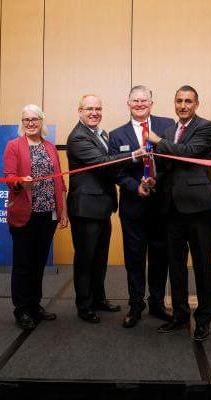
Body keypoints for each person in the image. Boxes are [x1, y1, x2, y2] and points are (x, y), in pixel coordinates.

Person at [67, 94, 146, 324]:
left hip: (102, 206)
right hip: (85, 208)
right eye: (89, 108)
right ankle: (84, 305)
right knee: (85, 258)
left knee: (99, 258)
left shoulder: (101, 133)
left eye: (98, 108)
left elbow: (109, 160)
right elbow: (103, 164)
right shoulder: (78, 137)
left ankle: (98, 298)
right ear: (79, 111)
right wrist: (133, 155)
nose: (94, 112)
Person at [147, 85, 211, 342]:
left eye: (188, 101)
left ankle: (204, 320)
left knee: (202, 267)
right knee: (175, 267)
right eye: (179, 101)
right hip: (171, 209)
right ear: (174, 104)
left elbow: (189, 154)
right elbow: (165, 167)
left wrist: (159, 143)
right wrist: (153, 180)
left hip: (198, 209)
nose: (183, 105)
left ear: (196, 104)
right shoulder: (167, 131)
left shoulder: (206, 127)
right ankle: (179, 316)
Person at [108, 85, 174, 328]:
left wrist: (159, 180)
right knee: (134, 257)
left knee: (160, 256)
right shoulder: (116, 135)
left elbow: (173, 161)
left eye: (143, 100)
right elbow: (116, 171)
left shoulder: (168, 126)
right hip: (134, 206)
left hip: (162, 205)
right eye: (134, 101)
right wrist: (135, 186)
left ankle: (157, 303)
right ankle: (136, 304)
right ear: (128, 104)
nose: (139, 104)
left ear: (151, 103)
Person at [3, 104, 68, 331]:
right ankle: (21, 308)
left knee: (39, 262)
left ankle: (34, 304)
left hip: (47, 214)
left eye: (35, 119)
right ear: (22, 122)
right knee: (23, 264)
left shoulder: (50, 147)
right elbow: (9, 177)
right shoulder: (14, 146)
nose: (30, 123)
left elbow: (59, 182)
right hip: (24, 214)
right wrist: (21, 182)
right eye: (26, 119)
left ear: (42, 121)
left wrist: (63, 211)